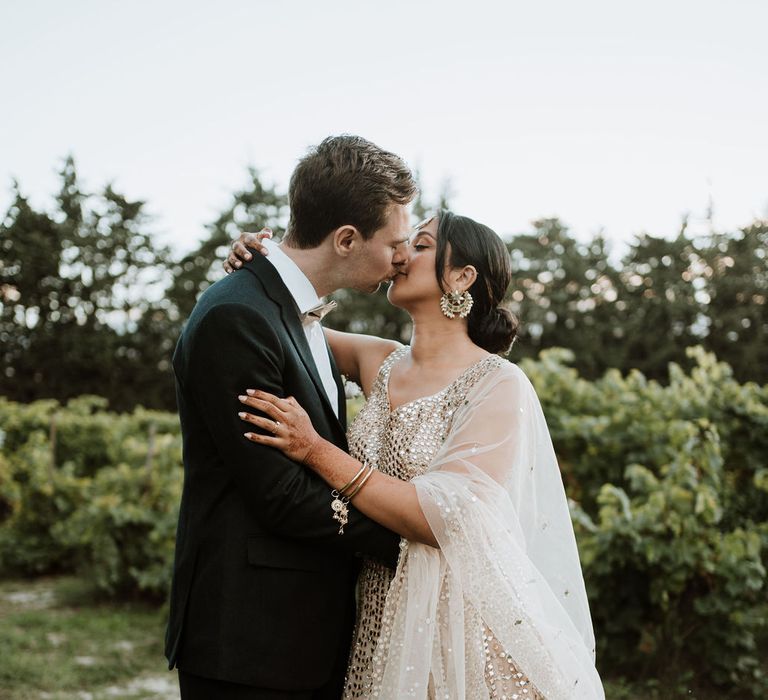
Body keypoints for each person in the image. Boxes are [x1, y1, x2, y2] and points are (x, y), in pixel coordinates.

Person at [228, 211, 605, 699]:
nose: (401, 255)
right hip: (377, 609)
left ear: (461, 276)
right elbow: (284, 322)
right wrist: (261, 265)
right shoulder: (378, 362)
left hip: (459, 625)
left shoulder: (496, 384)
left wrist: (315, 450)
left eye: (421, 245)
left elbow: (442, 516)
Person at [165, 135, 418, 699]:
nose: (401, 258)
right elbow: (279, 494)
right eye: (395, 242)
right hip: (251, 641)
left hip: (305, 634)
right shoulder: (239, 315)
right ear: (347, 239)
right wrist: (408, 539)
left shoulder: (292, 315)